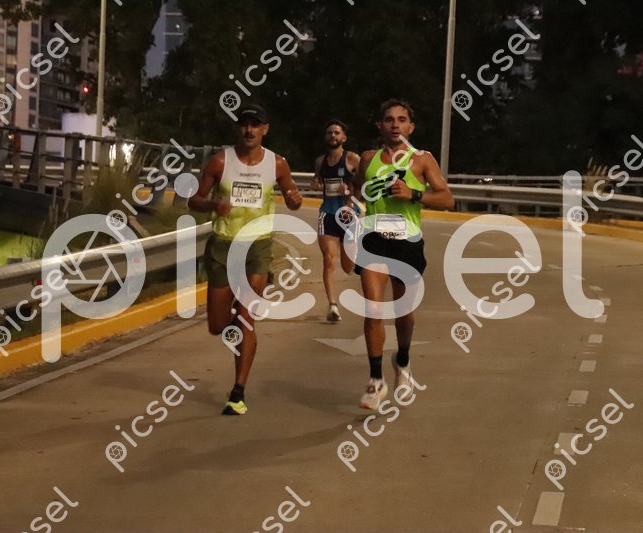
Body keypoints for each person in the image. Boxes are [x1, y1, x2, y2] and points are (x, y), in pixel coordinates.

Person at [188, 104, 303, 415]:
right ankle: (235, 336)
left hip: (257, 247)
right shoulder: (220, 161)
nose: (249, 130)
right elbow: (193, 200)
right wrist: (213, 205)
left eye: (255, 124)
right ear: (237, 128)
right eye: (244, 124)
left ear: (265, 129)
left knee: (245, 317)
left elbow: (292, 198)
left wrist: (294, 199)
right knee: (217, 325)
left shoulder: (277, 164)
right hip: (223, 247)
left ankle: (238, 391)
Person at [351, 99, 455, 409]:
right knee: (373, 309)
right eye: (389, 119)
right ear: (380, 125)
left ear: (411, 127)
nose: (395, 124)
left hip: (407, 242)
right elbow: (357, 191)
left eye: (401, 119)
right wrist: (351, 213)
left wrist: (414, 194)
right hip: (373, 240)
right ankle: (375, 380)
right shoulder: (368, 159)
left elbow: (447, 199)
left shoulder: (422, 160)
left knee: (403, 312)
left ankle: (403, 361)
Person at [310, 119, 361, 322]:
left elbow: (363, 186)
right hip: (328, 213)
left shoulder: (352, 159)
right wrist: (316, 184)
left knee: (348, 266)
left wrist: (348, 192)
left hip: (348, 214)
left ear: (344, 138)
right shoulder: (320, 161)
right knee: (329, 260)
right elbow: (317, 180)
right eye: (330, 132)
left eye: (337, 133)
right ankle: (332, 305)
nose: (333, 135)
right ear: (326, 137)